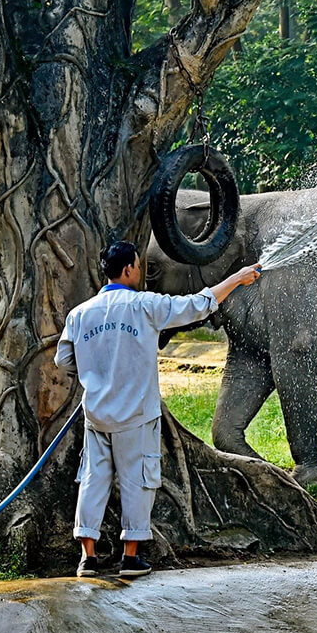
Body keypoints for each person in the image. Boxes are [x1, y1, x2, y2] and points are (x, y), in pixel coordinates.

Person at [55, 240, 261, 578]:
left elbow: (64, 359)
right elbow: (199, 305)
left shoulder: (80, 314)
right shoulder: (145, 306)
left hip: (96, 415)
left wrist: (97, 370)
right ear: (128, 270)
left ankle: (87, 559)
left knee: (93, 480)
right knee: (138, 480)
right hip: (136, 415)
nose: (140, 270)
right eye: (138, 265)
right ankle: (130, 558)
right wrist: (237, 278)